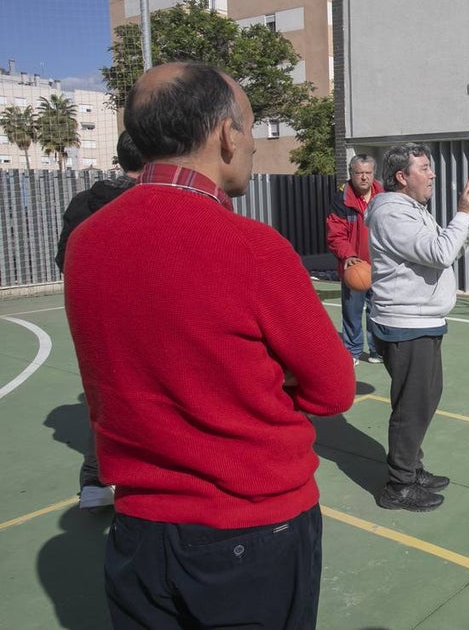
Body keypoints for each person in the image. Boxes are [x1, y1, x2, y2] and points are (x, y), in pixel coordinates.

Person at [63, 62, 356, 628]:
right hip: (253, 528)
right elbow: (334, 387)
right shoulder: (253, 248)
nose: (250, 146)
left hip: (138, 531)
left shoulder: (86, 242)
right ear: (226, 134)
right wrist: (268, 377)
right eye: (249, 128)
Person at [365, 143, 469, 512]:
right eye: (424, 168)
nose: (432, 174)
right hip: (405, 323)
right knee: (412, 406)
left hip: (423, 320)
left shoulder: (413, 209)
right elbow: (440, 252)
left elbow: (448, 249)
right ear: (401, 177)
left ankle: (411, 466)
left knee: (424, 400)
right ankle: (398, 486)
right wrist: (461, 215)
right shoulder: (392, 213)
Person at [55, 130, 144, 512]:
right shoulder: (150, 203)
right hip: (142, 313)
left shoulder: (82, 202)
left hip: (92, 314)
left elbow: (64, 259)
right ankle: (136, 479)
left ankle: (95, 478)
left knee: (102, 394)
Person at [326, 154, 384, 365]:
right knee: (352, 312)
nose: (363, 177)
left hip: (380, 267)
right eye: (359, 173)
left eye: (368, 173)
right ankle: (352, 350)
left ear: (373, 173)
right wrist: (348, 256)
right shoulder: (341, 199)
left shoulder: (384, 195)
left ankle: (377, 350)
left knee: (376, 311)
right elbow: (335, 235)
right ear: (351, 173)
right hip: (354, 265)